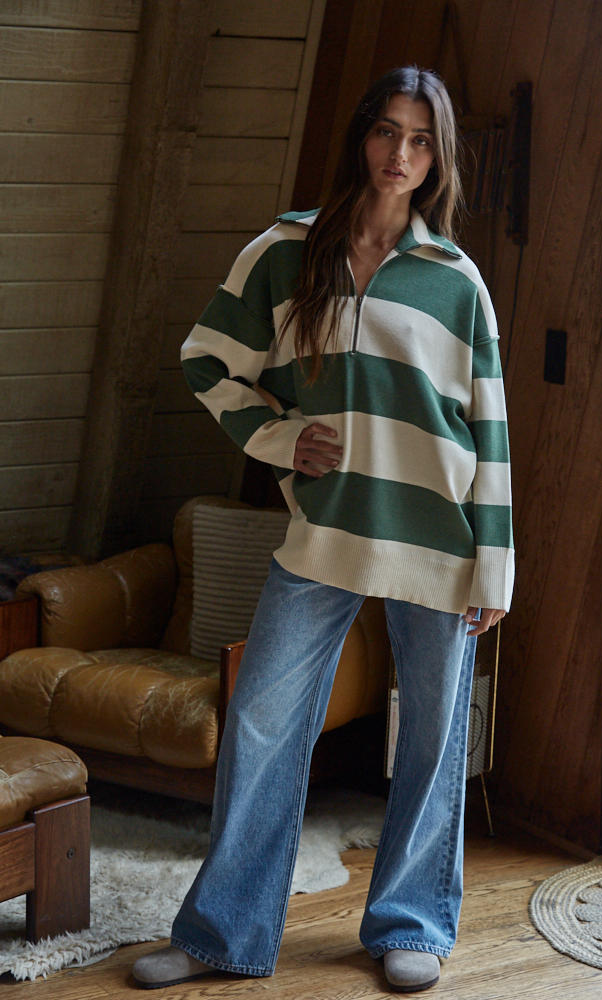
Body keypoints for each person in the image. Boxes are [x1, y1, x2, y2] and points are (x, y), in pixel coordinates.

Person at [132, 65, 513, 993]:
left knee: (430, 736)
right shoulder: (287, 250)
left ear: (438, 158)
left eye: (419, 141)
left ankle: (410, 925)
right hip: (327, 529)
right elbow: (207, 360)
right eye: (386, 132)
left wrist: (494, 565)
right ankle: (221, 934)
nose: (399, 155)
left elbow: (488, 429)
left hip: (439, 539)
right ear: (360, 137)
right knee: (261, 721)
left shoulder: (454, 279)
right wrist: (278, 438)